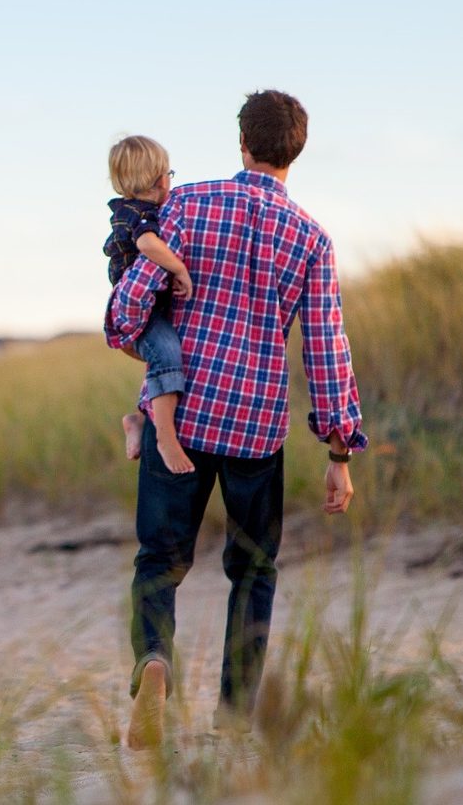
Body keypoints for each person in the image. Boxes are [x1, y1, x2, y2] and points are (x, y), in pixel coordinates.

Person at [104, 89, 366, 749]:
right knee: (253, 572)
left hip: (183, 416)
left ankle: (154, 663)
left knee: (158, 564)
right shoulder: (311, 237)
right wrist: (338, 454)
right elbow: (327, 347)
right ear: (295, 151)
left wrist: (129, 332)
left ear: (242, 143)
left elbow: (133, 298)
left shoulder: (187, 203)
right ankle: (235, 716)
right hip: (256, 427)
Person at [103, 135, 197, 474]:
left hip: (147, 309)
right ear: (160, 178)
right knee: (168, 352)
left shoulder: (134, 209)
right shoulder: (138, 215)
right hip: (138, 313)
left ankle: (139, 420)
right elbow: (147, 245)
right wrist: (178, 267)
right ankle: (165, 438)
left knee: (164, 358)